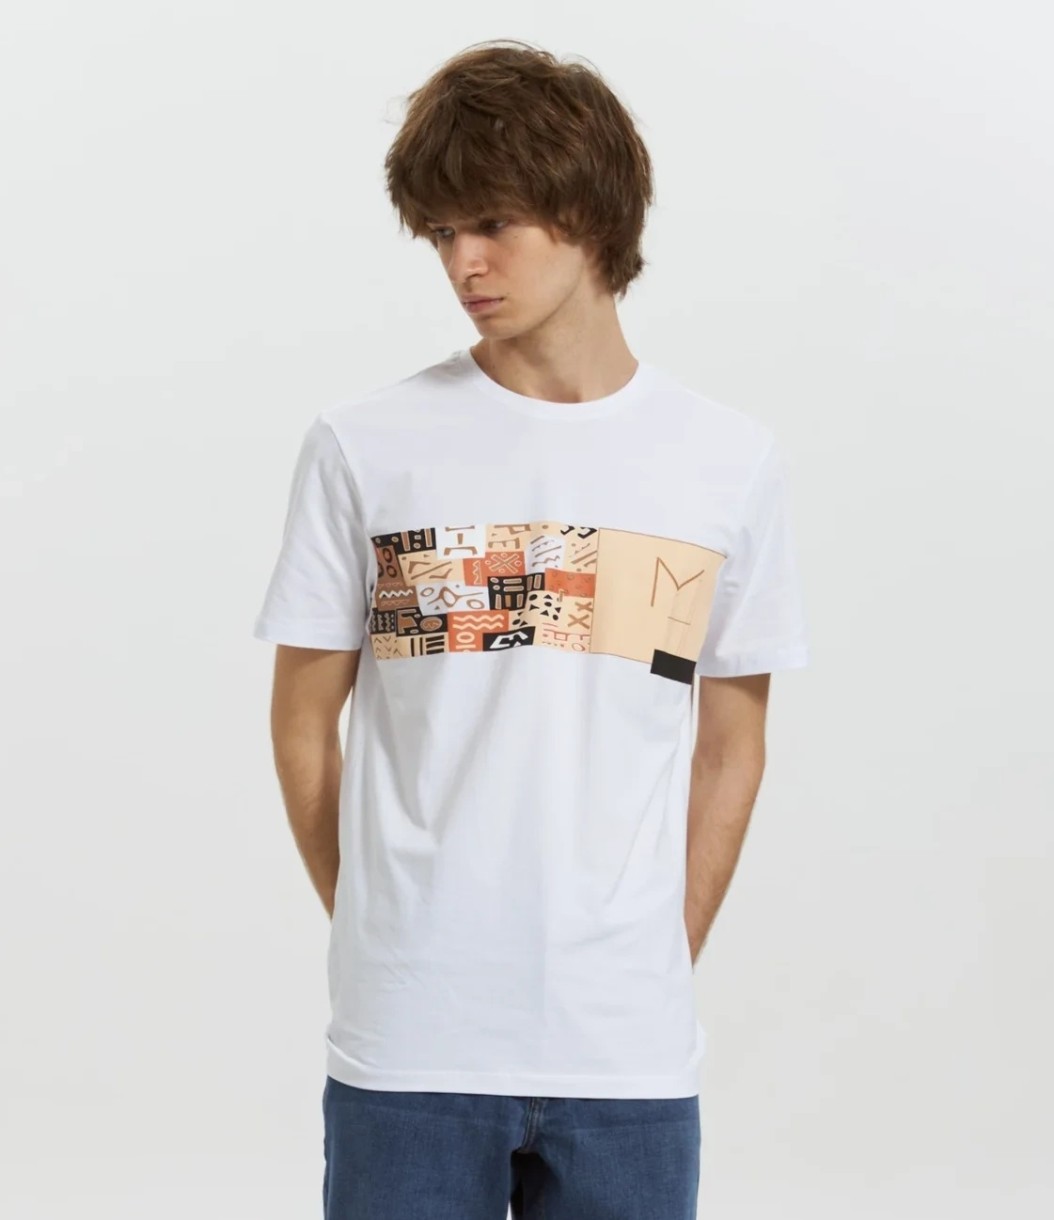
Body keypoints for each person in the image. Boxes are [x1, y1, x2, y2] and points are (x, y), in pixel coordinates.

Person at [252, 38, 809, 1220]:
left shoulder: (723, 461)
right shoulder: (367, 444)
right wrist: (383, 931)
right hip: (406, 1051)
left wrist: (657, 952)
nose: (463, 261)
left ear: (588, 213)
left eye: (493, 223)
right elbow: (303, 722)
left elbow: (732, 741)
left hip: (626, 1057)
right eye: (441, 232)